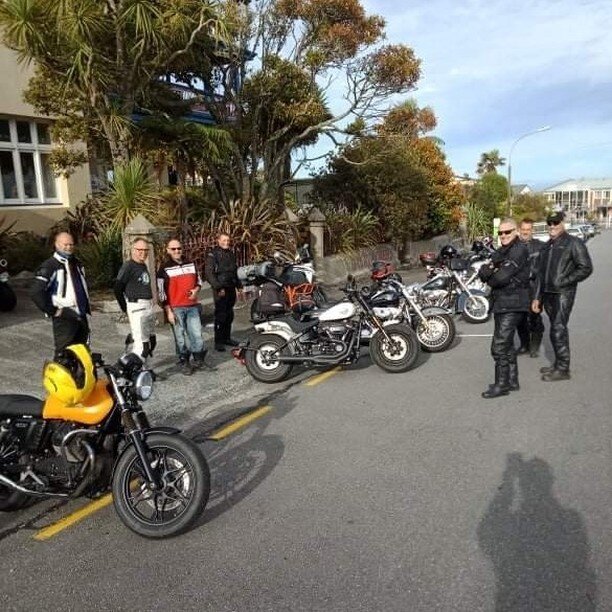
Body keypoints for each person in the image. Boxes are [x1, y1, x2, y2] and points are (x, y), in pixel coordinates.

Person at [532, 211, 593, 381]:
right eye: (550, 223)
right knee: (555, 329)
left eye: (556, 223)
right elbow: (540, 274)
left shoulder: (574, 243)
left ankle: (563, 368)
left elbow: (586, 268)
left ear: (562, 223)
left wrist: (565, 281)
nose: (552, 226)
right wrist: (537, 297)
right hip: (548, 294)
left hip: (563, 293)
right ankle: (558, 364)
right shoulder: (546, 246)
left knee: (558, 329)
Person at [478, 218, 530, 398]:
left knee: (498, 346)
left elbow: (499, 278)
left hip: (513, 302)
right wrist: (492, 271)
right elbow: (483, 272)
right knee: (506, 345)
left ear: (515, 231)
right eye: (500, 233)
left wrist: (492, 274)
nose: (504, 235)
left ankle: (502, 385)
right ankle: (511, 380)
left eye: (507, 232)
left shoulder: (519, 250)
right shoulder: (501, 251)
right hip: (502, 302)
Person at [31, 231, 91, 357]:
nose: (69, 247)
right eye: (65, 244)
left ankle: (79, 377)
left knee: (83, 355)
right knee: (64, 355)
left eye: (71, 244)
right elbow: (36, 292)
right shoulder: (50, 265)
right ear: (57, 245)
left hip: (81, 315)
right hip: (64, 317)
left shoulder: (77, 263)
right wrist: (53, 310)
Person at [157, 238, 208, 375]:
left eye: (179, 248)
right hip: (176, 307)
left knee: (196, 334)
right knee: (180, 337)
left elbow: (198, 280)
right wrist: (168, 311)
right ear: (168, 250)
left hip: (192, 305)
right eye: (173, 249)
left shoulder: (190, 263)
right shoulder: (164, 268)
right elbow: (161, 292)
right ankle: (183, 361)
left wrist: (196, 290)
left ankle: (198, 360)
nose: (177, 251)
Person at [114, 238, 156, 361]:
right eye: (139, 250)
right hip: (137, 307)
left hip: (147, 306)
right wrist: (124, 307)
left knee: (150, 341)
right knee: (141, 345)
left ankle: (143, 368)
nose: (143, 253)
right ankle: (134, 372)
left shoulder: (142, 265)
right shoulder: (128, 266)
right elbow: (117, 288)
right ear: (133, 250)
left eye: (145, 250)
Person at [205, 233, 241, 352]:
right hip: (220, 289)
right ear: (218, 241)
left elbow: (234, 270)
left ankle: (227, 338)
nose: (226, 242)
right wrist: (218, 287)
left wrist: (239, 286)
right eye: (224, 240)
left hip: (230, 287)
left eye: (228, 240)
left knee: (229, 314)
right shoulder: (212, 254)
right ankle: (218, 341)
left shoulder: (230, 253)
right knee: (221, 315)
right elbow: (209, 273)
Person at [516, 218, 545, 357]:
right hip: (518, 289)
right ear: (519, 230)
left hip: (535, 288)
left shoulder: (540, 246)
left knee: (535, 318)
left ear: (532, 230)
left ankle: (534, 346)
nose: (526, 232)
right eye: (523, 229)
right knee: (520, 319)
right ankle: (524, 345)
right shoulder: (514, 246)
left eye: (528, 230)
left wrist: (538, 296)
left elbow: (543, 270)